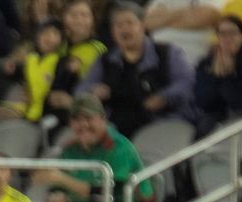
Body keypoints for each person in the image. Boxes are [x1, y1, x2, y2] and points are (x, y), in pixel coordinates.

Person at [37, 95, 154, 202]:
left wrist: (63, 180)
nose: (83, 125)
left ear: (102, 119)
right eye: (77, 119)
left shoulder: (119, 147)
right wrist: (55, 198)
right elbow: (57, 186)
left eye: (88, 118)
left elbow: (111, 192)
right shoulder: (70, 149)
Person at [84, 2, 197, 139]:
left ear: (142, 26)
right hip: (115, 127)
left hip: (161, 123)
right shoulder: (105, 60)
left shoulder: (167, 52)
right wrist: (93, 91)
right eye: (119, 25)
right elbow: (82, 90)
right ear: (113, 32)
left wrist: (164, 97)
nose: (125, 29)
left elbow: (187, 82)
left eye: (130, 23)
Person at [193, 14, 242, 136]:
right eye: (222, 34)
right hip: (215, 117)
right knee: (203, 125)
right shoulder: (206, 63)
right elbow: (202, 101)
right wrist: (217, 77)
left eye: (232, 33)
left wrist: (227, 76)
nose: (227, 38)